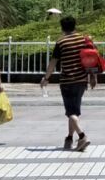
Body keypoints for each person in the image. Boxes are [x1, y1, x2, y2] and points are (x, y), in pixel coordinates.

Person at [41, 15, 96, 152]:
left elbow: (53, 63)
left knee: (70, 111)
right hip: (82, 80)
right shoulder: (84, 39)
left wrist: (46, 78)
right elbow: (92, 58)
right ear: (74, 25)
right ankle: (69, 138)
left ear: (62, 27)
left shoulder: (61, 42)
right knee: (74, 111)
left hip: (67, 81)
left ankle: (82, 136)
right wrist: (93, 76)